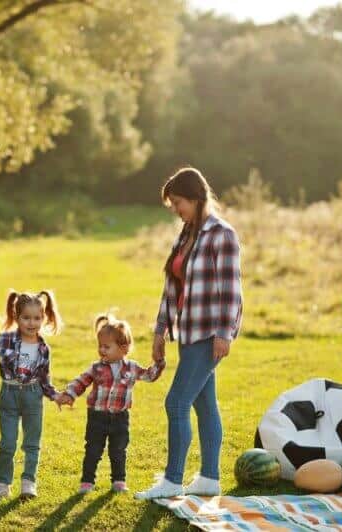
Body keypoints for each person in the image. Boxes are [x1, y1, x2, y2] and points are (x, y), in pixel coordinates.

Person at [135, 167, 243, 500]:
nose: (176, 209)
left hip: (210, 335)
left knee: (176, 403)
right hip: (187, 333)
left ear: (196, 198)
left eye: (178, 202)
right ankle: (210, 478)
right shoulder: (186, 233)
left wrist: (225, 333)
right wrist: (160, 330)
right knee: (204, 405)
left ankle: (172, 480)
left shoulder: (221, 235)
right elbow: (172, 286)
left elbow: (231, 291)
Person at [0, 290, 66, 501]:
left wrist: (55, 396)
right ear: (17, 317)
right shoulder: (5, 339)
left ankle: (28, 483)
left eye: (37, 318)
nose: (32, 323)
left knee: (32, 443)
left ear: (43, 318)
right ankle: (2, 485)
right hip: (8, 395)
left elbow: (45, 380)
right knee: (7, 443)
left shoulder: (44, 348)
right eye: (26, 317)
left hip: (33, 396)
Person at [57, 314, 165, 494]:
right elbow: (81, 381)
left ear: (123, 348)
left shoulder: (132, 368)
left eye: (106, 347)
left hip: (120, 418)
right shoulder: (96, 367)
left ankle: (119, 481)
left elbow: (149, 375)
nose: (102, 350)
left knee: (118, 451)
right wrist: (69, 394)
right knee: (93, 449)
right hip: (97, 416)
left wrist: (159, 363)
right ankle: (87, 481)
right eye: (100, 346)